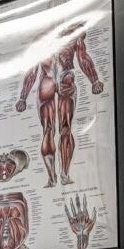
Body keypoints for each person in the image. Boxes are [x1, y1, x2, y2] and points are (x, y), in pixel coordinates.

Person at [16, 19, 105, 187]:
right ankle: (54, 176)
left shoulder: (71, 35)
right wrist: (22, 96)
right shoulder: (43, 39)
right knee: (51, 129)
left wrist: (94, 80)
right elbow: (33, 69)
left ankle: (62, 174)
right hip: (52, 81)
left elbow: (83, 58)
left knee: (62, 128)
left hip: (61, 80)